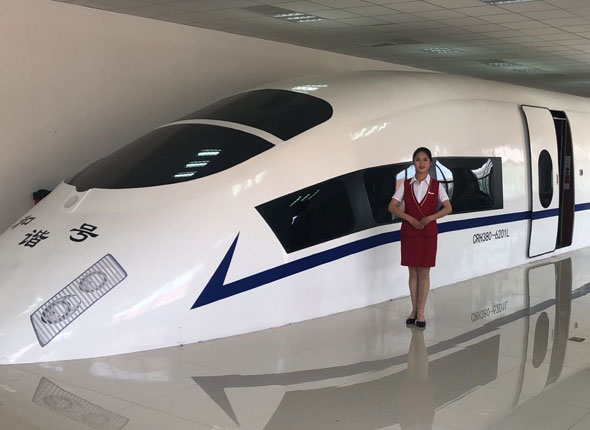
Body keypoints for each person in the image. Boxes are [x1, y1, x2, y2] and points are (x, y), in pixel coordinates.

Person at [388, 147, 452, 328]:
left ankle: (421, 312)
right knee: (412, 272)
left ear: (430, 163)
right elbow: (392, 206)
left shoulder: (436, 186)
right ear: (413, 163)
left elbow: (448, 208)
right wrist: (408, 218)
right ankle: (414, 310)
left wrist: (430, 218)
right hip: (410, 233)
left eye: (425, 159)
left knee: (424, 272)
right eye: (418, 159)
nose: (421, 163)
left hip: (428, 233)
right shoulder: (406, 185)